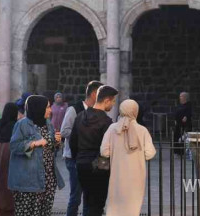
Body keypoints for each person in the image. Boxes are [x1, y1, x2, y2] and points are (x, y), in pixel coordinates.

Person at [8, 95, 64, 216]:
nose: (50, 110)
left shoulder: (48, 124)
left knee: (45, 212)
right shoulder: (22, 124)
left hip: (48, 178)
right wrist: (34, 143)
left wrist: (57, 142)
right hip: (29, 180)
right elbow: (14, 146)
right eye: (48, 107)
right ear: (38, 108)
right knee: (28, 212)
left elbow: (50, 147)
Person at [100, 99, 156, 216]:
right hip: (136, 176)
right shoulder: (142, 130)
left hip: (117, 174)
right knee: (132, 208)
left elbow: (104, 152)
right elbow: (150, 153)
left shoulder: (112, 129)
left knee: (115, 207)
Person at [71, 85, 118, 216]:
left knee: (88, 200)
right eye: (113, 101)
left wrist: (78, 159)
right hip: (99, 165)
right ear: (106, 100)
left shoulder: (80, 116)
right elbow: (108, 149)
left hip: (81, 164)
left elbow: (72, 142)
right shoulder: (107, 121)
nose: (113, 104)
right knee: (97, 204)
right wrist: (105, 168)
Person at [61, 80, 102, 216]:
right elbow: (64, 131)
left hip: (90, 158)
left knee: (89, 197)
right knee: (76, 196)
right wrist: (85, 135)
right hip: (74, 158)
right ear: (94, 93)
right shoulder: (74, 109)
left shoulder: (97, 112)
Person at [173, 92, 192, 156]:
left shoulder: (188, 105)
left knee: (183, 138)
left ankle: (183, 151)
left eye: (181, 96)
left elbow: (189, 113)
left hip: (185, 125)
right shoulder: (180, 105)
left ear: (185, 98)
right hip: (178, 124)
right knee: (176, 136)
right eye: (180, 96)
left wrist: (186, 117)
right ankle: (177, 151)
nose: (180, 98)